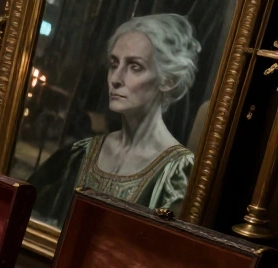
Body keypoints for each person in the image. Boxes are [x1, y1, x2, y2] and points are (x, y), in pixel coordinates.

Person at [30, 14, 200, 225]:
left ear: (169, 80)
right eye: (113, 64)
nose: (116, 79)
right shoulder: (79, 154)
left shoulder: (178, 173)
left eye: (134, 66)